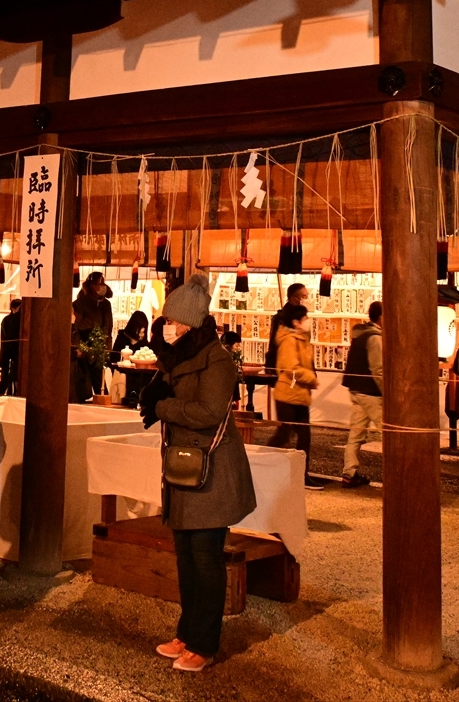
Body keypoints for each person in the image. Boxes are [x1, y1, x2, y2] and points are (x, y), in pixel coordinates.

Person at [136, 273, 255, 673]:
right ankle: (186, 632)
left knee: (205, 558)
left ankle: (205, 644)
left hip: (211, 473)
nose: (167, 327)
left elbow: (208, 413)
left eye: (172, 321)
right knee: (186, 557)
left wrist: (163, 408)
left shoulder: (216, 359)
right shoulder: (180, 356)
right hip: (186, 468)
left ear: (189, 322)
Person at [268, 299, 320, 488]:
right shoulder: (290, 340)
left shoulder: (302, 340)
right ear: (296, 322)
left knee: (302, 436)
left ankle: (301, 475)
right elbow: (291, 368)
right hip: (288, 394)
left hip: (298, 395)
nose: (308, 321)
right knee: (285, 434)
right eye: (305, 318)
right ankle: (261, 463)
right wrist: (311, 379)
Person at [340, 301, 383, 488]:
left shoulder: (359, 334)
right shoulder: (375, 338)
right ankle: (397, 473)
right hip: (371, 392)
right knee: (388, 432)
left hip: (355, 390)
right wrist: (387, 392)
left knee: (355, 434)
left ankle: (349, 473)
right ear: (381, 317)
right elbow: (378, 369)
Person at [70, 273, 113, 401]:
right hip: (82, 351)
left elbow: (109, 327)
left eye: (103, 283)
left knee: (101, 387)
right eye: (99, 283)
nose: (102, 286)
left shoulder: (106, 304)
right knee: (83, 386)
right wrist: (79, 348)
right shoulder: (79, 303)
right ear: (92, 286)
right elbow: (75, 329)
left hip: (99, 350)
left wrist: (106, 349)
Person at [0, 297, 23, 396]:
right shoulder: (8, 320)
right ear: (13, 308)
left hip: (10, 353)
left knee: (10, 379)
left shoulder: (13, 319)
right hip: (8, 353)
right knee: (6, 379)